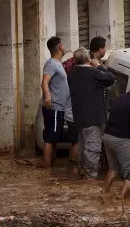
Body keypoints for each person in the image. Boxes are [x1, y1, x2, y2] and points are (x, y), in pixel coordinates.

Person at [67, 48, 115, 179]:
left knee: (82, 145)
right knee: (92, 148)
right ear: (89, 59)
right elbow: (111, 78)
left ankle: (82, 170)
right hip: (93, 118)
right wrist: (100, 66)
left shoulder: (72, 73)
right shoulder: (93, 73)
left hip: (79, 118)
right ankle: (90, 176)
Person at [41, 37, 76, 168]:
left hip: (59, 108)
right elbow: (44, 81)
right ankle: (46, 172)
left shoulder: (57, 63)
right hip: (54, 107)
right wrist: (48, 96)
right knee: (50, 139)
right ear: (61, 46)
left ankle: (51, 170)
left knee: (54, 139)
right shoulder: (51, 64)